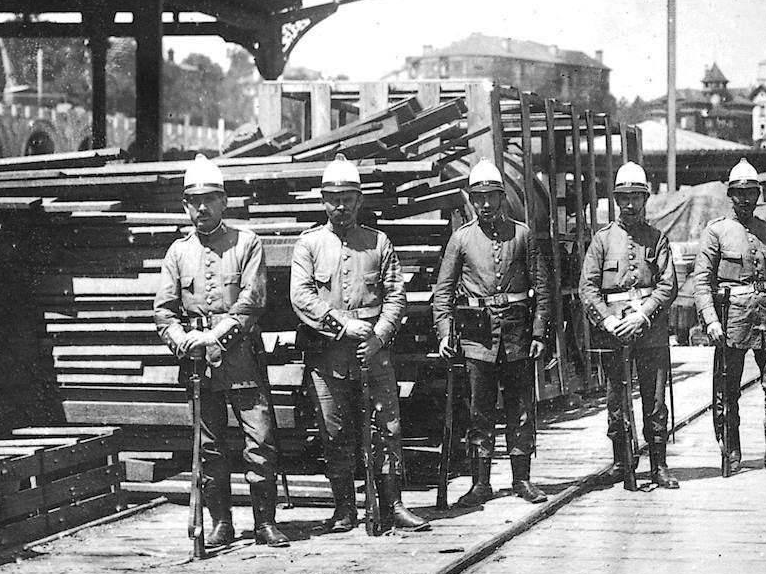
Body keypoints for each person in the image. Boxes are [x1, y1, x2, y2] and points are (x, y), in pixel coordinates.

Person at [153, 154, 288, 548]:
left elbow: (252, 300)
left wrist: (218, 335)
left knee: (259, 441)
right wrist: (182, 340)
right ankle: (221, 523)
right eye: (193, 201)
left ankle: (265, 522)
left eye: (209, 199)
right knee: (209, 446)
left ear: (224, 201)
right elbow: (163, 311)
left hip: (241, 358)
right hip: (198, 366)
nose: (202, 208)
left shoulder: (246, 243)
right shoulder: (177, 253)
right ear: (184, 206)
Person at [290, 154, 429, 534]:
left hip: (373, 353)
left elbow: (397, 296)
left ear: (359, 199)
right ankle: (344, 509)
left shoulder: (378, 243)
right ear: (322, 200)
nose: (340, 205)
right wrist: (341, 326)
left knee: (387, 428)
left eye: (348, 197)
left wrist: (380, 335)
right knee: (334, 432)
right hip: (328, 356)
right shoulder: (309, 245)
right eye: (333, 198)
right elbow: (301, 296)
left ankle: (393, 505)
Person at [431, 159, 552, 506]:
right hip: (476, 338)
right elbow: (443, 290)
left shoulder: (522, 235)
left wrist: (540, 333)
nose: (485, 204)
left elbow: (542, 287)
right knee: (479, 411)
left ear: (502, 198)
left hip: (516, 334)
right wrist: (445, 332)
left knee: (520, 407)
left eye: (491, 197)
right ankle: (480, 483)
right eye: (478, 197)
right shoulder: (461, 239)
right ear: (470, 199)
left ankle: (522, 479)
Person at [693, 158, 766, 475]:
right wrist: (711, 320)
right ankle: (730, 452)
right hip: (732, 318)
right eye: (739, 193)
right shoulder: (716, 232)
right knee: (726, 390)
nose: (745, 199)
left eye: (751, 193)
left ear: (758, 195)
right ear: (730, 195)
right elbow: (701, 282)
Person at [580, 162, 679, 489]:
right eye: (624, 197)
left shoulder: (657, 239)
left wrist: (644, 314)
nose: (630, 204)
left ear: (645, 199)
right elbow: (588, 288)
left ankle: (658, 465)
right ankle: (622, 462)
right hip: (614, 333)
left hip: (650, 332)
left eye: (637, 197)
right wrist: (608, 319)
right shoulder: (602, 240)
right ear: (616, 199)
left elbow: (667, 285)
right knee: (616, 399)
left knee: (654, 399)